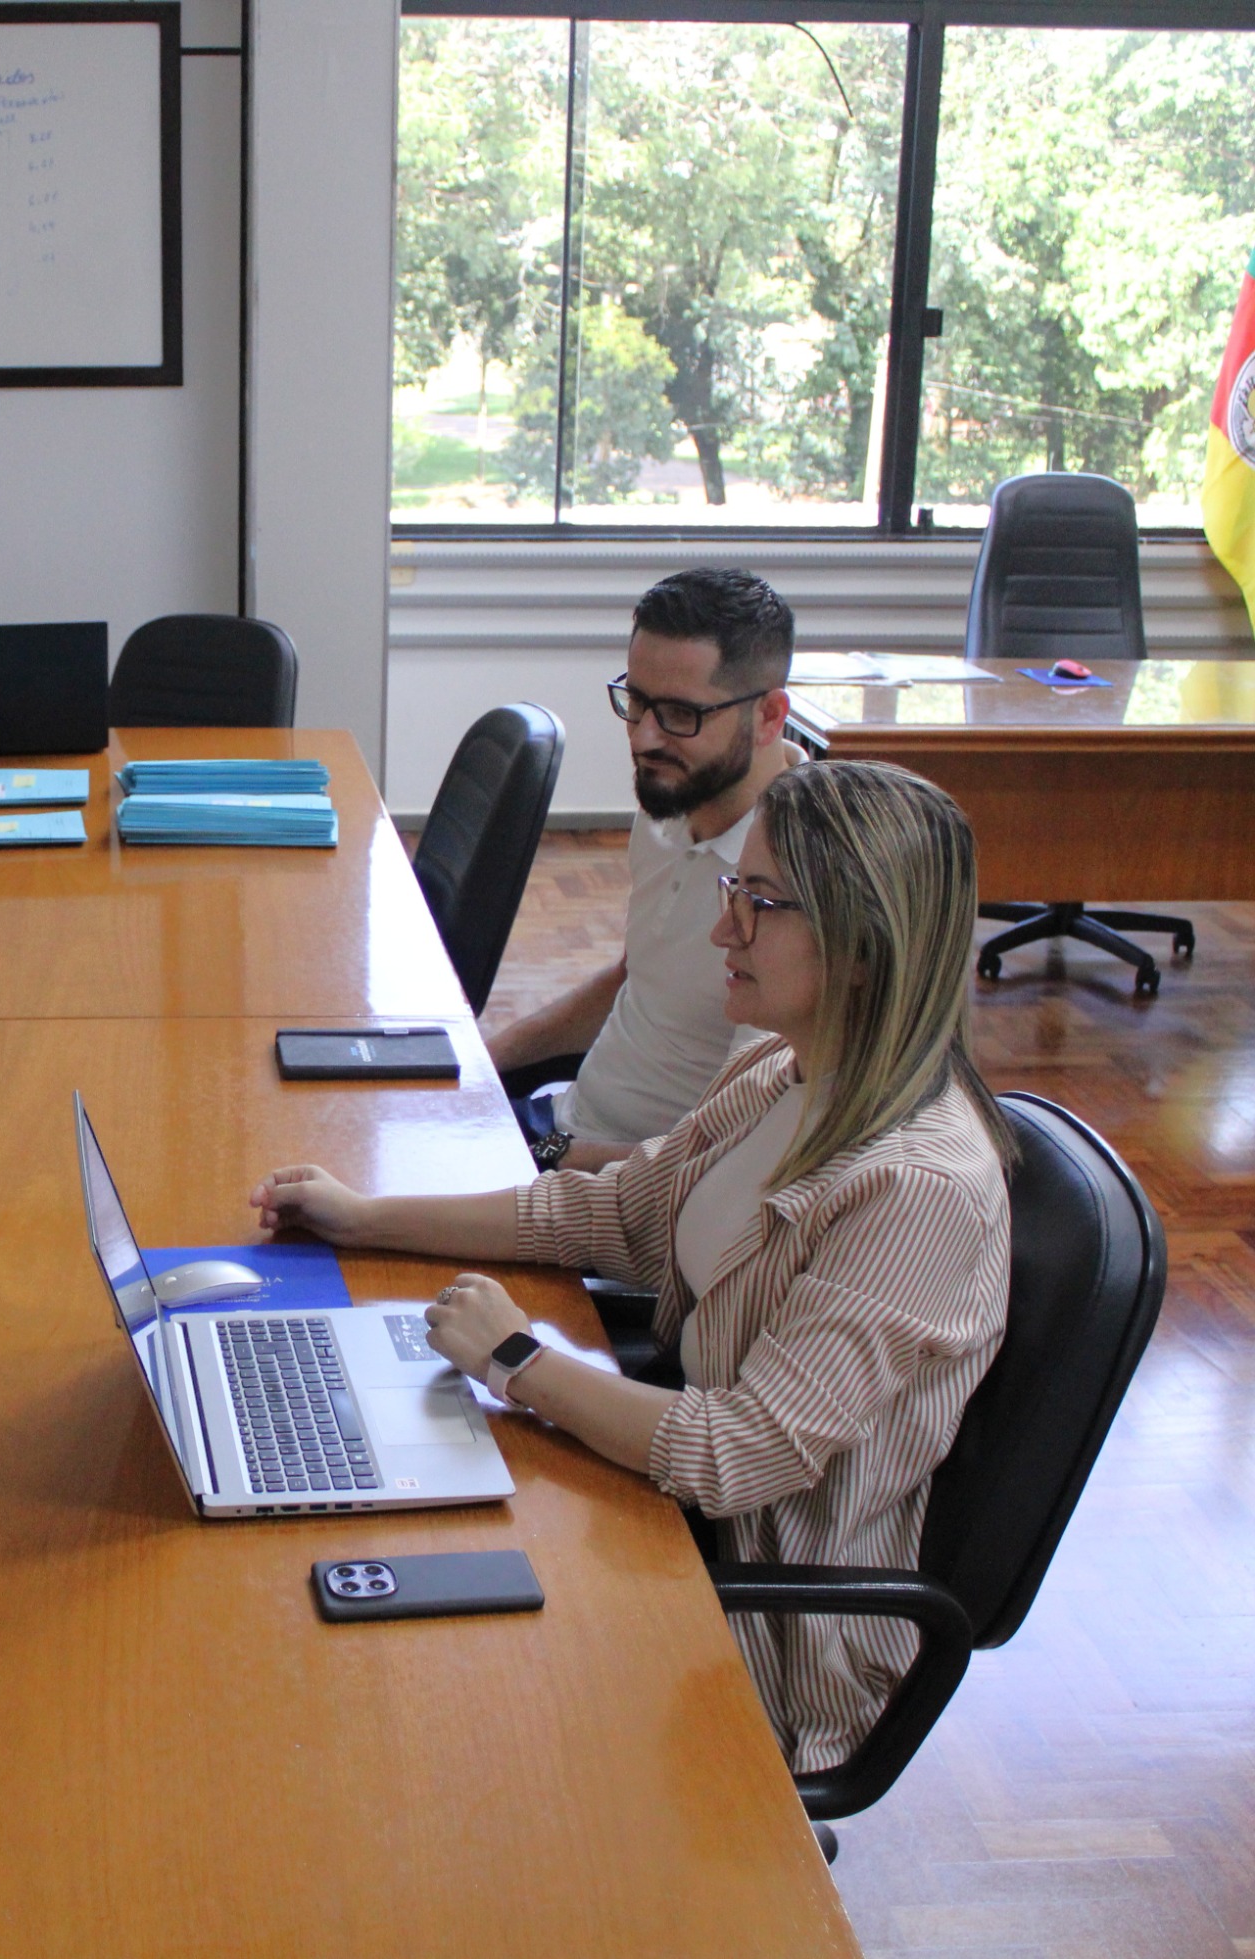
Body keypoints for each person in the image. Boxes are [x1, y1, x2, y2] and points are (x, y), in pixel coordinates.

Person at [254, 761, 1013, 1772]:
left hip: (761, 1617)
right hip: (663, 1513)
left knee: (387, 1678)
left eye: (763, 904)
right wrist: (364, 1218)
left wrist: (517, 1358)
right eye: (730, 891)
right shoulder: (782, 1068)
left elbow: (734, 1455)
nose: (721, 932)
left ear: (868, 946)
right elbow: (611, 1215)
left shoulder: (915, 1187)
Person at [487, 567, 803, 1174]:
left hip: (624, 1188)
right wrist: (477, 1066)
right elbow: (635, 980)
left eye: (681, 713)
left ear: (769, 716)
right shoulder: (670, 801)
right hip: (563, 1126)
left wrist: (545, 1154)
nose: (644, 737)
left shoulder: (794, 884)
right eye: (636, 701)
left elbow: (726, 1158)